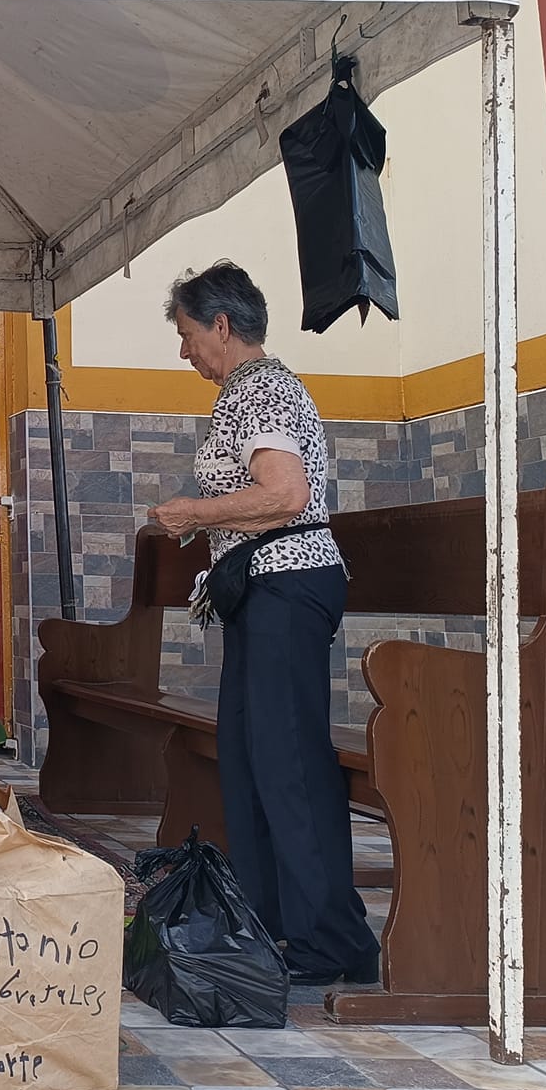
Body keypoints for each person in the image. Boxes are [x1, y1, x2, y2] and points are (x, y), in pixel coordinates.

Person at [146, 261, 380, 985]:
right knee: (252, 763)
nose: (184, 351)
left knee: (290, 769)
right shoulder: (245, 395)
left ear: (222, 325)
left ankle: (334, 944)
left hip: (288, 588)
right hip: (266, 592)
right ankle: (280, 927)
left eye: (188, 334)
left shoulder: (266, 389)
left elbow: (283, 492)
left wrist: (194, 513)